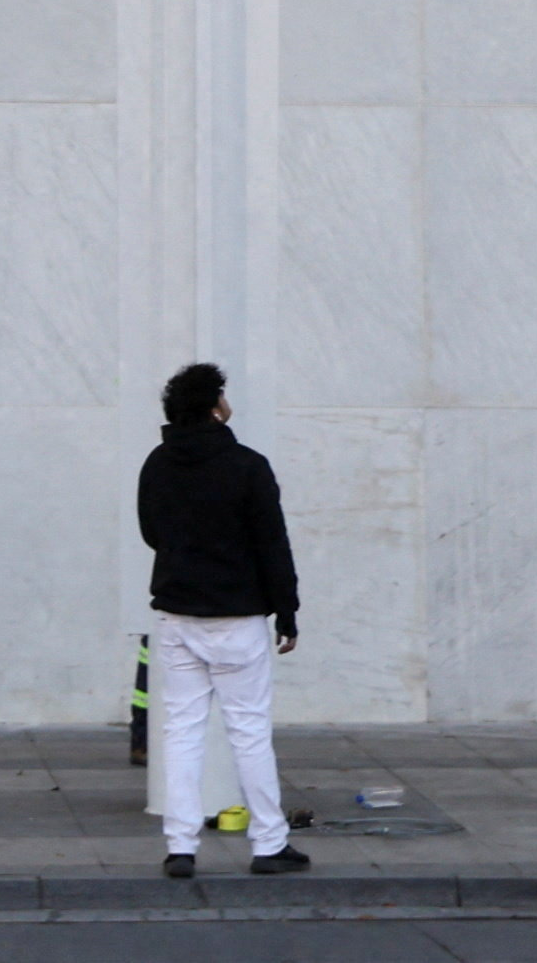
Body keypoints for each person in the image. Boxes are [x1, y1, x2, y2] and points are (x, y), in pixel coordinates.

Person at [137, 363, 305, 879]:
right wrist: (287, 610)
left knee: (182, 732)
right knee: (249, 732)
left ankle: (180, 846)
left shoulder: (158, 464)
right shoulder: (247, 466)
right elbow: (272, 544)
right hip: (237, 619)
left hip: (176, 616)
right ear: (215, 407)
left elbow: (151, 533)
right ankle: (269, 844)